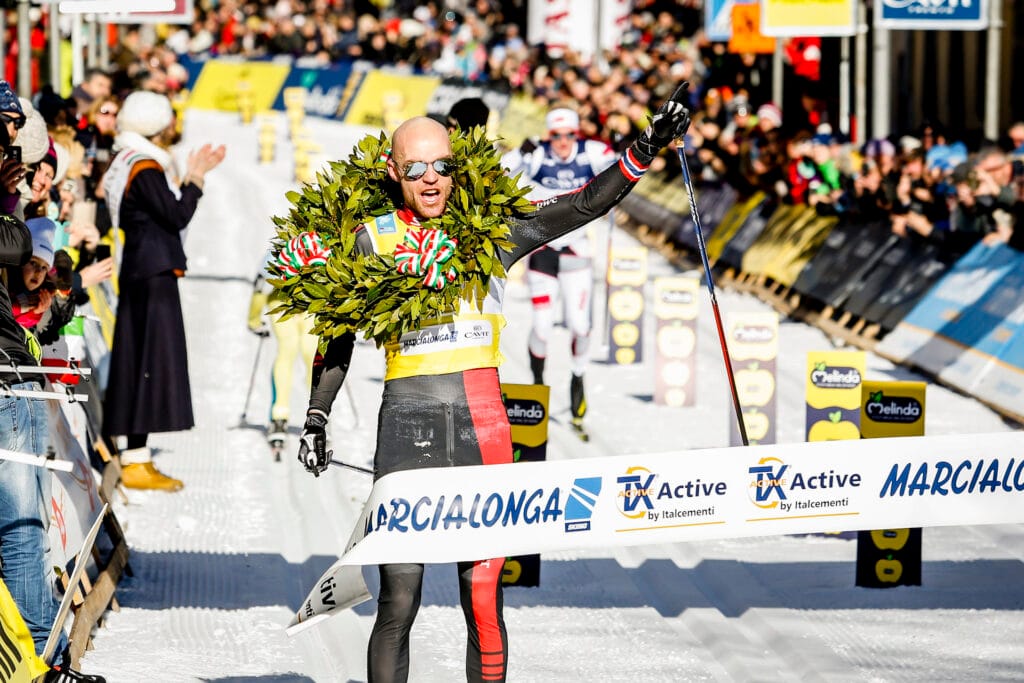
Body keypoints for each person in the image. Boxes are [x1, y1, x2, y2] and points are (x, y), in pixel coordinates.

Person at [291, 85, 691, 682]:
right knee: (399, 601)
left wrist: (645, 145)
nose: (431, 180)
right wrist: (318, 414)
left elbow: (583, 204)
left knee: (483, 603)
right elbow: (338, 333)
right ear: (392, 172)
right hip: (406, 428)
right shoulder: (369, 240)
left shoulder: (491, 233)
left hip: (483, 428)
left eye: (442, 166)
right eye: (416, 169)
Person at [101, 90, 225, 491]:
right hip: (152, 272)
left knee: (138, 361)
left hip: (140, 269)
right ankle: (135, 459)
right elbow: (175, 214)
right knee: (149, 363)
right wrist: (196, 178)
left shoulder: (126, 160)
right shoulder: (145, 167)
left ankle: (136, 455)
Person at [501, 107, 617, 431]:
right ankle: (538, 382)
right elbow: (499, 171)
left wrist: (622, 144)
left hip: (577, 251)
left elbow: (623, 168)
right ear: (548, 135)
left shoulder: (590, 152)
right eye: (556, 136)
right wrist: (518, 152)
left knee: (580, 326)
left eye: (569, 136)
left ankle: (578, 375)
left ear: (576, 135)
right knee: (542, 327)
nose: (563, 143)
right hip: (543, 251)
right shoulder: (537, 154)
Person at [247, 250, 317, 453]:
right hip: (282, 301)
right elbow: (262, 285)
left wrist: (253, 320)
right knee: (289, 349)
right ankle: (279, 416)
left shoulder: (319, 243)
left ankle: (317, 413)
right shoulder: (281, 250)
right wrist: (253, 319)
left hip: (310, 303)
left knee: (310, 352)